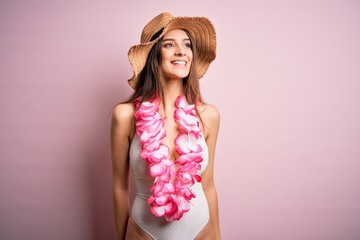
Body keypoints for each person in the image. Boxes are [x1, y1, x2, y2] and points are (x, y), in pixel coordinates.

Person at [110, 12, 221, 240]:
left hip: (202, 232)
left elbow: (208, 186)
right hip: (144, 233)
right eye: (169, 44)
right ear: (153, 54)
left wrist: (218, 236)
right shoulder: (125, 115)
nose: (181, 51)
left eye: (187, 45)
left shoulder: (208, 115)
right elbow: (119, 188)